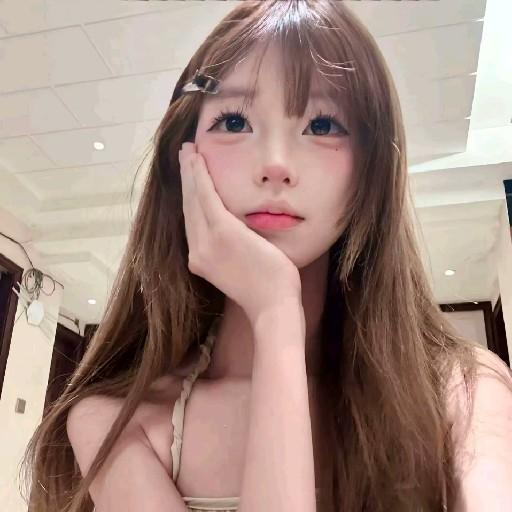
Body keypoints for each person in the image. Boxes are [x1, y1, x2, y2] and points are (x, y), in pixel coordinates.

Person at [20, 1, 512, 511]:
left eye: (323, 125)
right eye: (234, 120)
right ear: (183, 157)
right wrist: (276, 313)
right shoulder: (114, 419)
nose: (275, 165)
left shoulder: (462, 391)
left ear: (371, 171)